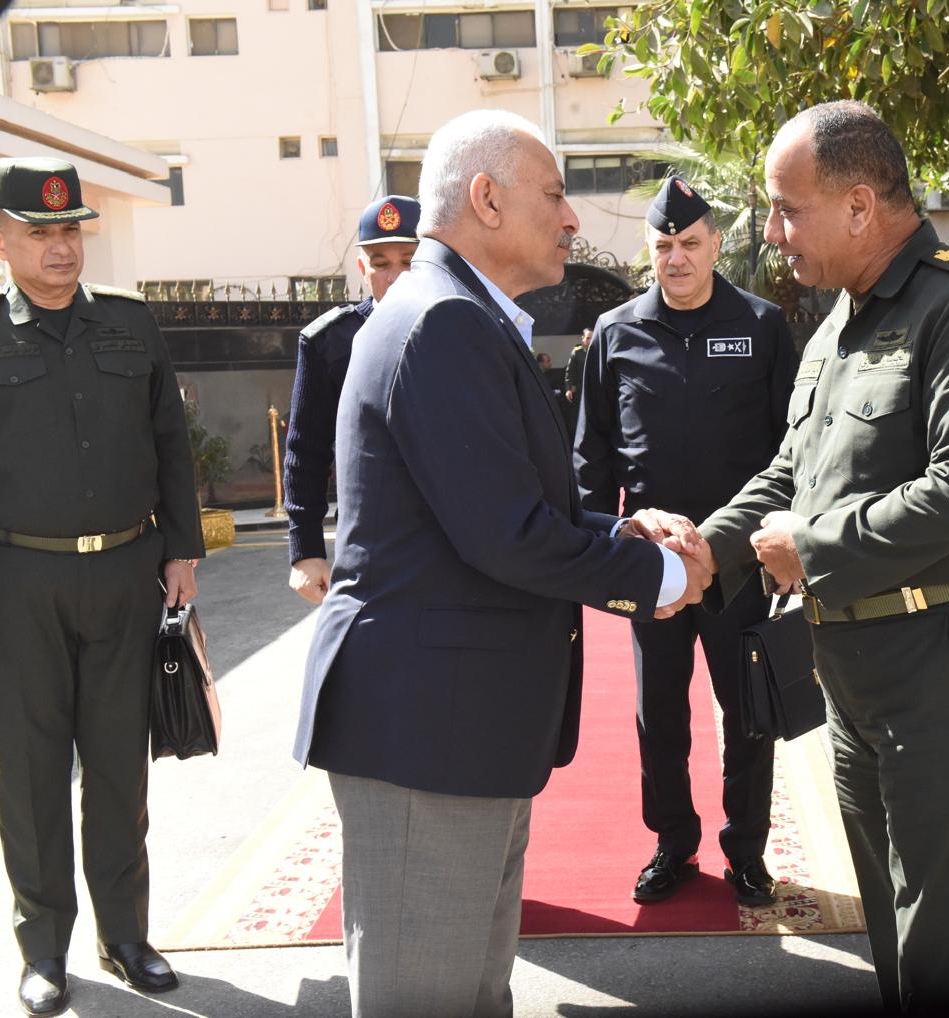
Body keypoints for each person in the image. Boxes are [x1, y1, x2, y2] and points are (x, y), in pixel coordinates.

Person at [291, 110, 710, 1018]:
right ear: (486, 199)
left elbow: (493, 504)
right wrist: (661, 579)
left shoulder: (459, 313)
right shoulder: (442, 320)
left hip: (459, 726)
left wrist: (622, 536)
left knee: (474, 993)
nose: (571, 219)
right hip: (426, 734)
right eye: (554, 194)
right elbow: (506, 533)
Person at [651, 102, 949, 1010]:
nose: (772, 232)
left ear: (860, 206)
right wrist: (709, 550)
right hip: (855, 670)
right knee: (895, 941)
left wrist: (812, 547)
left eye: (788, 210)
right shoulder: (839, 321)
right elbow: (791, 471)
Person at [0, 157, 203, 1016]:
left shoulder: (129, 323)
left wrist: (182, 549)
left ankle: (126, 936)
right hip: (14, 581)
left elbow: (169, 440)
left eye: (70, 229)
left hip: (124, 570)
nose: (60, 247)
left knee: (119, 767)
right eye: (39, 232)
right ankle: (43, 949)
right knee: (31, 772)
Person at [573, 176, 798, 906]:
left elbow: (792, 449)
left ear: (716, 244)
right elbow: (591, 455)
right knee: (660, 715)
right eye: (664, 244)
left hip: (737, 563)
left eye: (690, 243)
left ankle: (747, 850)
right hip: (653, 566)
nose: (676, 259)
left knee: (748, 712)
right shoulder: (616, 332)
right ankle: (673, 842)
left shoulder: (762, 325)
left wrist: (784, 544)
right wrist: (599, 554)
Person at [284, 195, 420, 604]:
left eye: (409, 261)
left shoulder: (462, 332)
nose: (395, 276)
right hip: (368, 543)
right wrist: (306, 551)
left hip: (455, 539)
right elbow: (305, 452)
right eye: (381, 263)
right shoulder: (330, 342)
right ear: (363, 269)